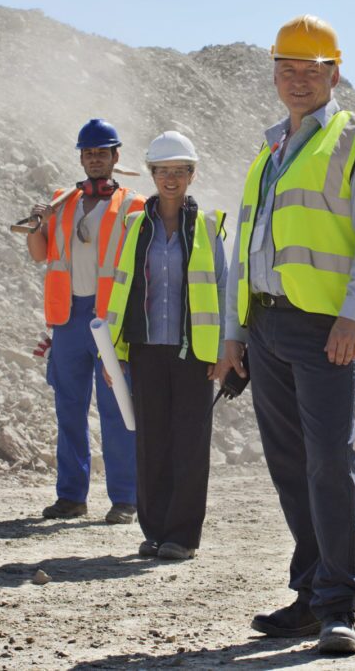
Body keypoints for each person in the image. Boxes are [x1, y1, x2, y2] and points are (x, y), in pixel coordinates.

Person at [211, 14, 355, 655]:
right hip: (264, 326)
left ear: (334, 74)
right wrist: (234, 333)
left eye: (310, 70)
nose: (297, 81)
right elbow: (247, 248)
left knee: (328, 461)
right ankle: (308, 593)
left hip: (326, 330)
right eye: (286, 69)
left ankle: (340, 602)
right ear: (273, 73)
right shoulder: (268, 153)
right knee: (291, 465)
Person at [103, 131, 226, 561]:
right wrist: (114, 353)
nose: (170, 179)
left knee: (190, 443)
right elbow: (121, 289)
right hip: (146, 348)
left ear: (191, 175)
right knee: (151, 441)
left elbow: (224, 289)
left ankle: (183, 535)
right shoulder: (136, 226)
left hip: (195, 353)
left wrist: (228, 350)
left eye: (179, 171)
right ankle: (154, 530)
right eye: (163, 171)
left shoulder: (209, 227)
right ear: (152, 174)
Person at [25, 118, 146, 523]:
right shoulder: (61, 202)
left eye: (102, 152)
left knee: (115, 408)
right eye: (88, 153)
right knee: (69, 409)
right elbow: (40, 254)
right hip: (68, 318)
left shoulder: (133, 205)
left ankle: (126, 498)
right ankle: (71, 497)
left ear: (115, 157)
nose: (95, 159)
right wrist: (35, 227)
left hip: (110, 319)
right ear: (81, 157)